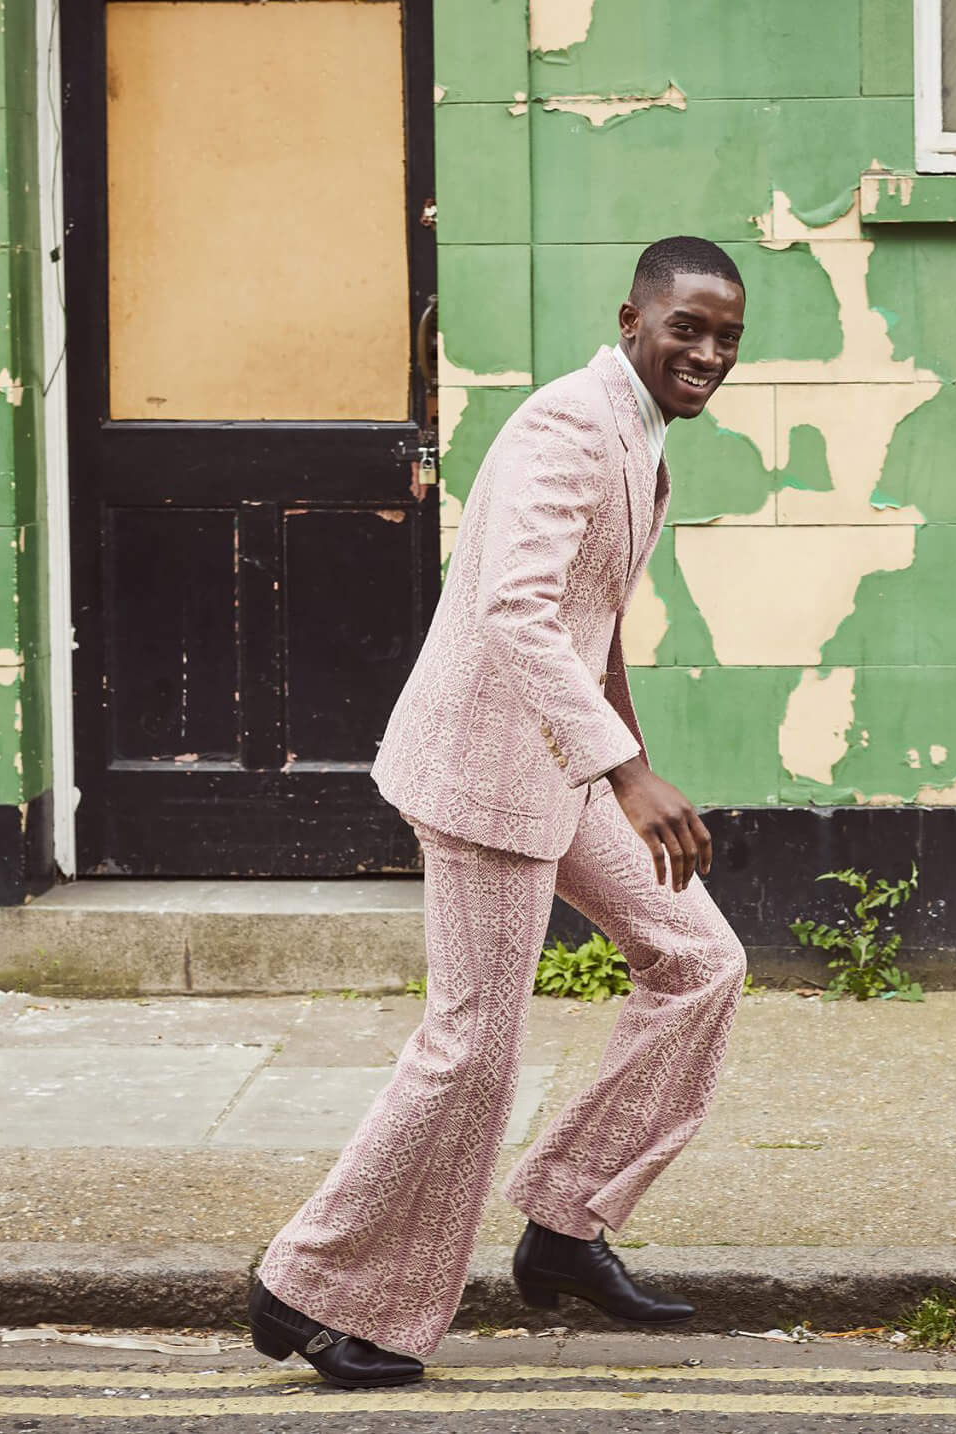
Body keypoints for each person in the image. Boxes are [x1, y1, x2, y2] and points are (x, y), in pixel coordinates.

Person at [247, 237, 753, 1389]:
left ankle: (567, 1225)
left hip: (560, 770)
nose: (708, 352)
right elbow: (515, 613)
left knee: (697, 958)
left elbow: (595, 617)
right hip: (484, 771)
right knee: (472, 1047)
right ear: (632, 318)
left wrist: (625, 756)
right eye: (688, 327)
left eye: (726, 336)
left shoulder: (641, 432)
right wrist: (626, 775)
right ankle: (306, 1284)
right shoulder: (567, 426)